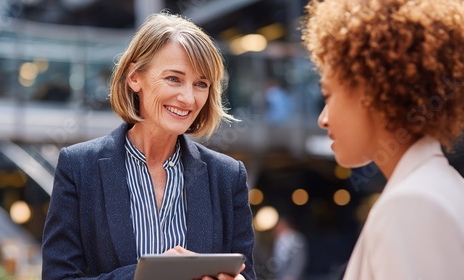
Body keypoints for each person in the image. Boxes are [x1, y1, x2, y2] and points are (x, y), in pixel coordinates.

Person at [42, 12, 256, 280]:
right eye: (173, 78)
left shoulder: (228, 176)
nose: (188, 98)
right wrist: (147, 275)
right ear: (134, 77)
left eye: (201, 84)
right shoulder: (79, 167)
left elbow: (246, 274)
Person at [302, 0, 464, 279]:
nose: (323, 118)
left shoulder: (412, 204)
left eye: (328, 95)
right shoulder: (440, 187)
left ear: (371, 89)